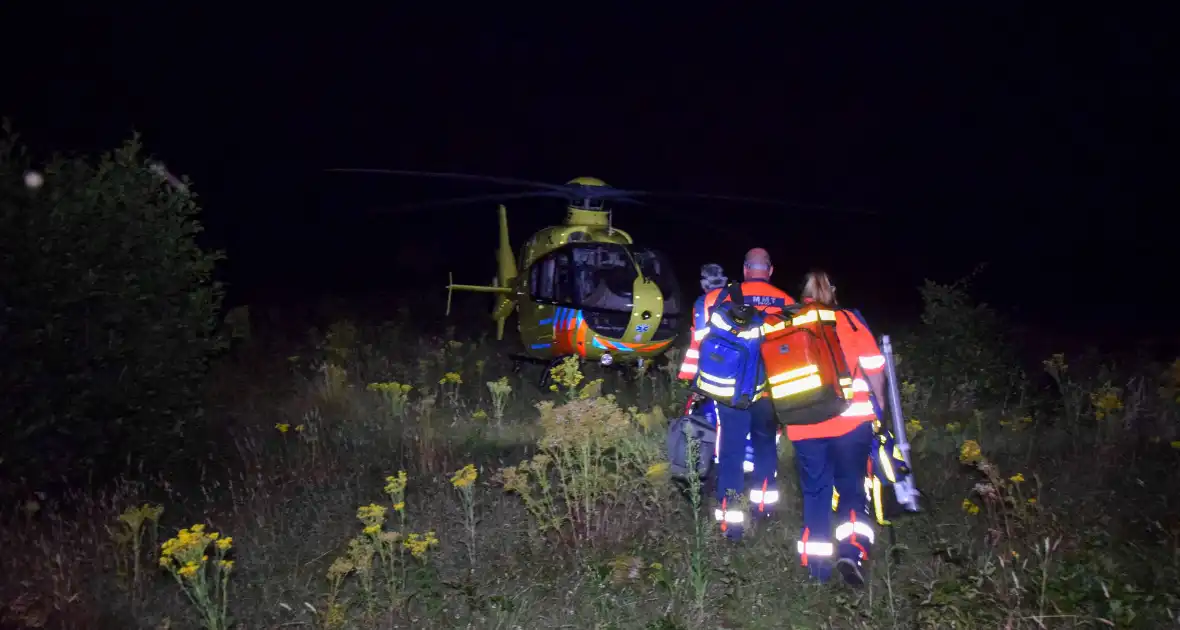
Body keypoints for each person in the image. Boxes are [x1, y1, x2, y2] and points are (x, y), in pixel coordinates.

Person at [678, 248, 794, 540]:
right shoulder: (787, 302)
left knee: (730, 451)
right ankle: (763, 509)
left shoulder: (717, 299)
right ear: (769, 270)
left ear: (744, 269)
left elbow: (701, 343)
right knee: (766, 446)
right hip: (770, 392)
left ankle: (732, 524)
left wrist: (692, 380)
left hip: (730, 392)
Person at [784, 270, 887, 586]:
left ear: (804, 294)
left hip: (803, 425)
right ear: (833, 293)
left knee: (815, 493)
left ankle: (816, 568)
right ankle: (851, 551)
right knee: (852, 490)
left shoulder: (787, 324)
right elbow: (875, 371)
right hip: (851, 423)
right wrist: (879, 408)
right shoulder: (851, 322)